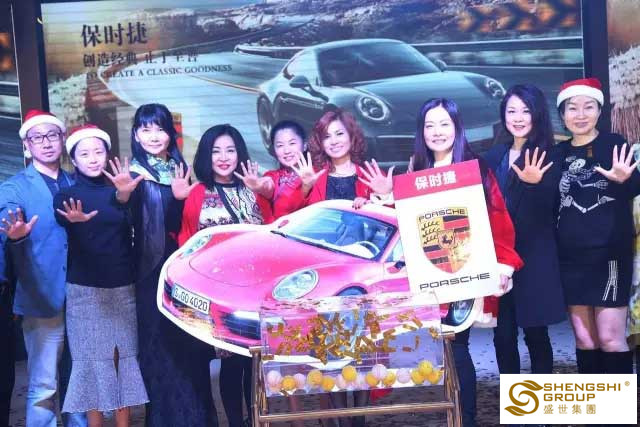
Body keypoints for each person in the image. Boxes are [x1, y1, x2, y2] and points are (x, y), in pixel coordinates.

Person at [404, 98, 523, 427]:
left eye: (444, 124)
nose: (437, 132)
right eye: (430, 125)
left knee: (458, 347)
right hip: (431, 272)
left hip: (466, 270)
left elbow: (498, 218)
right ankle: (455, 416)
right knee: (445, 352)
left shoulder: (475, 167)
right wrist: (389, 198)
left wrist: (503, 264)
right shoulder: (417, 170)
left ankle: (466, 419)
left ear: (457, 128)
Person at [127, 104, 218, 427]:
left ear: (171, 134)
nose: (153, 136)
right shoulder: (131, 176)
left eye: (160, 129)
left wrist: (180, 201)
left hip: (183, 275)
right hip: (149, 276)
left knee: (189, 351)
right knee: (157, 353)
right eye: (146, 129)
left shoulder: (181, 171)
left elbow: (185, 224)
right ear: (136, 134)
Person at [52, 125, 148, 426]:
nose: (92, 158)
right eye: (84, 153)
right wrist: (77, 223)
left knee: (123, 361)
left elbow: (136, 224)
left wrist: (124, 197)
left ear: (107, 154)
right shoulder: (66, 196)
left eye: (98, 152)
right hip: (85, 292)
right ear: (73, 159)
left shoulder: (120, 191)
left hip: (122, 289)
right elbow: (63, 219)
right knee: (90, 363)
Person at [178, 124, 271, 427]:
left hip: (255, 291)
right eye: (216, 150)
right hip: (218, 293)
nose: (223, 157)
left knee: (254, 362)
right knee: (231, 360)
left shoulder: (252, 188)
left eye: (230, 150)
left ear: (239, 153)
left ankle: (256, 420)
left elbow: (273, 233)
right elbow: (187, 241)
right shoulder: (198, 192)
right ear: (206, 155)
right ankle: (235, 422)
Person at [0, 110, 86, 427]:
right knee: (43, 384)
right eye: (37, 137)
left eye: (52, 135)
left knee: (79, 379)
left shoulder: (76, 181)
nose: (46, 143)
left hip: (81, 297)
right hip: (41, 297)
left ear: (63, 140)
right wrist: (15, 235)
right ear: (27, 146)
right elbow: (7, 223)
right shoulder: (14, 187)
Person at [552, 78, 639, 374]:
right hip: (570, 259)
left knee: (610, 338)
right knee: (585, 339)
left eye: (588, 107)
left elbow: (635, 186)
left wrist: (625, 179)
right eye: (572, 108)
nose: (580, 115)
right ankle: (596, 402)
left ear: (599, 111)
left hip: (609, 256)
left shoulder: (613, 144)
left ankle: (617, 404)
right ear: (562, 114)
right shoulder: (557, 154)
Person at [484, 84, 566, 375]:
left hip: (533, 256)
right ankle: (513, 399)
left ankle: (539, 400)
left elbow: (551, 208)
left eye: (525, 111)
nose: (518, 118)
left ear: (537, 114)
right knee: (503, 335)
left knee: (536, 334)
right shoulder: (494, 155)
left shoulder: (550, 155)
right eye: (511, 111)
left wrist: (534, 186)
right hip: (499, 257)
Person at [236, 120, 307, 220]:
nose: (286, 151)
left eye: (292, 143)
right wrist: (259, 187)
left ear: (305, 145)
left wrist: (307, 185)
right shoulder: (273, 176)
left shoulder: (319, 174)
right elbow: (268, 187)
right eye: (280, 145)